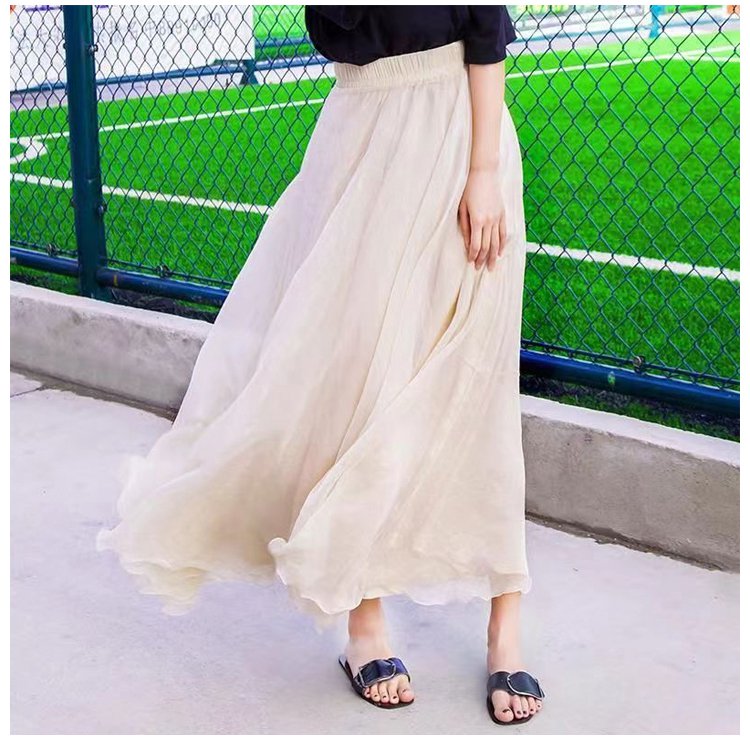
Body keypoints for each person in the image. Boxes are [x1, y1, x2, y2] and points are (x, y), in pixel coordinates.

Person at [96, 5, 544, 727]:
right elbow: (340, 31)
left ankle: (506, 625)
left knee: (475, 381)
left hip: (461, 139)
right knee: (354, 382)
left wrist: (484, 171)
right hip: (359, 143)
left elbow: (485, 30)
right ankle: (364, 620)